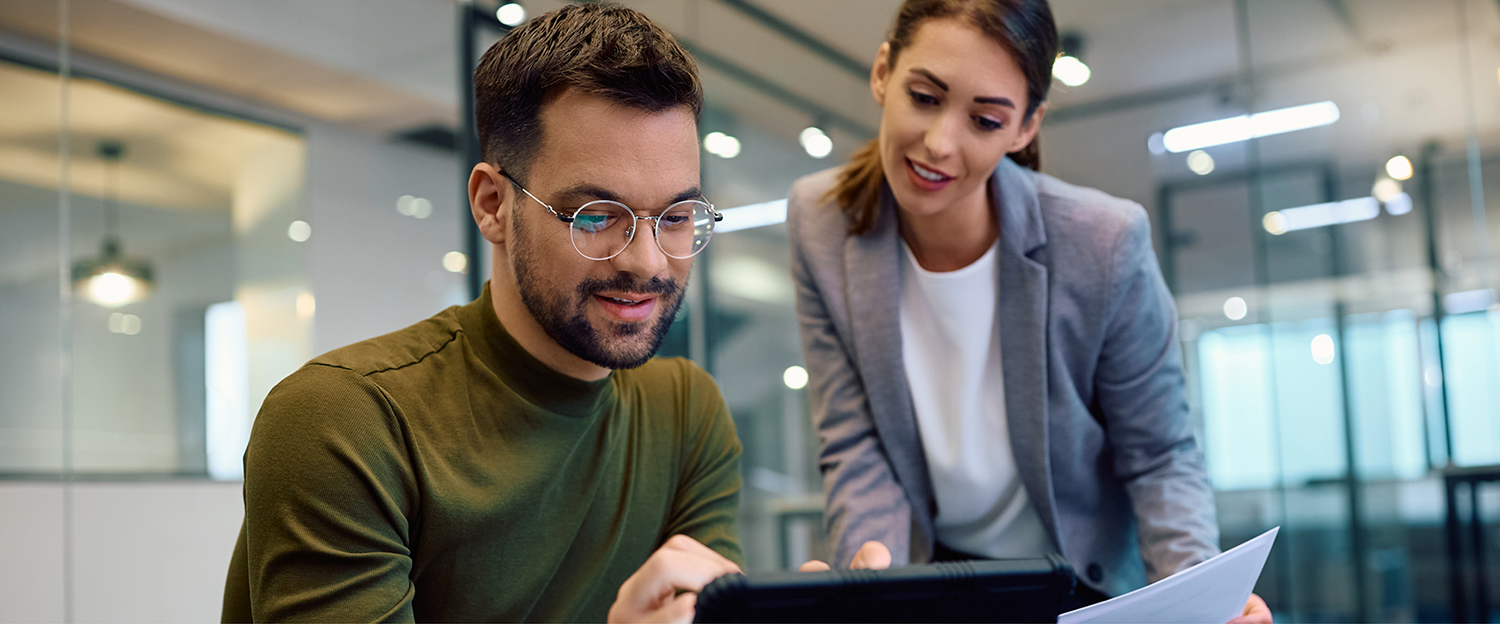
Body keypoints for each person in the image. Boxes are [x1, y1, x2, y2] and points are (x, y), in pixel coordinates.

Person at [221, 4, 743, 622]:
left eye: (676, 218)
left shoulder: (685, 412)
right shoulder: (345, 423)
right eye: (597, 217)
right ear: (493, 204)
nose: (646, 261)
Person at [787, 0, 1270, 621]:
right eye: (925, 97)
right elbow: (855, 443)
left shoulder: (1104, 242)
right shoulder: (818, 220)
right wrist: (869, 579)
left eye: (985, 121)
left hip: (1083, 582)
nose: (939, 144)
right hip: (936, 576)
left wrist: (1199, 597)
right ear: (883, 72)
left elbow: (1158, 454)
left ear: (1025, 128)